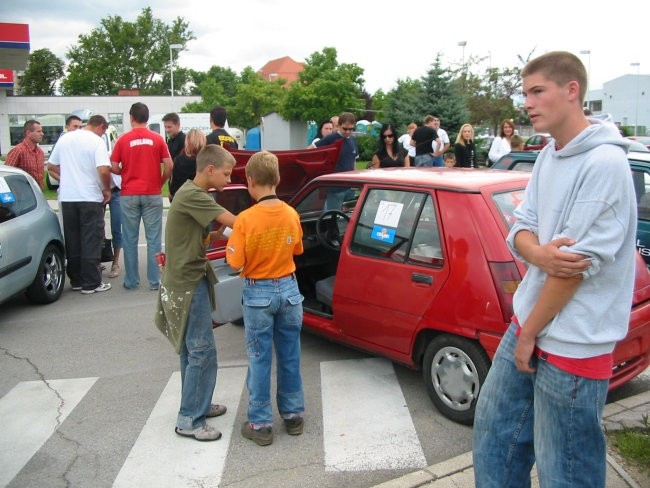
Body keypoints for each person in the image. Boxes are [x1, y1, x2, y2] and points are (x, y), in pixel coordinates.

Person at [473, 51, 637, 488]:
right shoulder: (549, 155)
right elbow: (522, 229)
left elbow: (574, 269)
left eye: (537, 91)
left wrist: (530, 334)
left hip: (575, 341)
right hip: (529, 319)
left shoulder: (604, 164)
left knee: (564, 464)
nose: (527, 103)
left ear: (572, 91)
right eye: (525, 93)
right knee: (495, 436)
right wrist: (540, 255)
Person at [155, 144, 237, 442]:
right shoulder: (194, 196)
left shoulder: (191, 194)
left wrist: (215, 236)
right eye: (226, 174)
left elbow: (205, 235)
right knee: (202, 350)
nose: (229, 181)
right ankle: (190, 418)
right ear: (210, 169)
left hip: (184, 280)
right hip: (187, 284)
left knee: (193, 351)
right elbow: (234, 223)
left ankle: (197, 404)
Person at [226, 151, 305, 447]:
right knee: (290, 355)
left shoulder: (246, 219)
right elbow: (297, 249)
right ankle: (294, 415)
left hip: (258, 292)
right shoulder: (291, 213)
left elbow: (234, 262)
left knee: (259, 359)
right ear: (278, 179)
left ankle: (260, 424)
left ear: (250, 181)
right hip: (289, 291)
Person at [110, 102, 173, 291]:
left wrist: (124, 173)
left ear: (131, 118)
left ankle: (131, 281)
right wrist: (159, 183)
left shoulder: (123, 139)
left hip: (129, 193)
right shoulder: (157, 139)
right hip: (152, 193)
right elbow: (169, 165)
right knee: (154, 239)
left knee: (130, 239)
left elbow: (113, 166)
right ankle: (155, 282)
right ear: (147, 118)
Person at [47, 115, 112, 294]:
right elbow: (104, 169)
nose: (103, 134)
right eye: (104, 131)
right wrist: (106, 189)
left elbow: (51, 166)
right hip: (89, 196)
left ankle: (75, 279)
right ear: (100, 127)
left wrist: (66, 177)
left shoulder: (65, 138)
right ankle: (91, 283)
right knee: (91, 239)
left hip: (68, 197)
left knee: (73, 239)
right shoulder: (96, 142)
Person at [314, 112, 359, 209]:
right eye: (345, 129)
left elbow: (353, 161)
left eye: (351, 129)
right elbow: (311, 149)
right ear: (338, 126)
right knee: (332, 217)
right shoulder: (331, 138)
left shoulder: (353, 139)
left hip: (350, 188)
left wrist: (356, 181)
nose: (348, 132)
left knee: (348, 217)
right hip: (335, 188)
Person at [6, 120, 45, 189]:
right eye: (38, 131)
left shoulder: (40, 152)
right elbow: (6, 174)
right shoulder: (18, 151)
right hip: (21, 194)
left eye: (41, 131)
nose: (42, 134)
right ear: (28, 133)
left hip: (37, 193)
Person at [169, 128, 207, 200]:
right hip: (200, 198)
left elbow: (174, 183)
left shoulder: (179, 160)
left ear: (187, 142)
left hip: (180, 198)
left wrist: (171, 195)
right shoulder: (205, 161)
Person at [107, 171, 123, 279]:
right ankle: (97, 262)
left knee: (116, 228)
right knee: (96, 229)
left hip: (116, 191)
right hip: (98, 190)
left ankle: (115, 263)